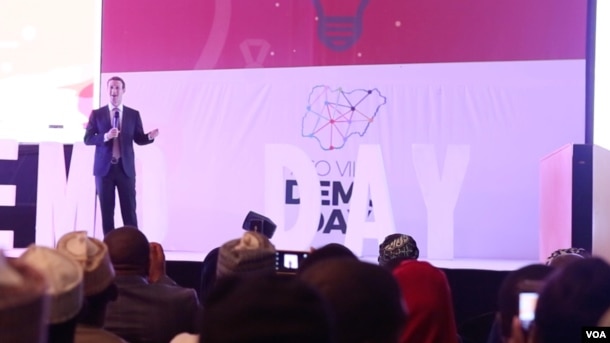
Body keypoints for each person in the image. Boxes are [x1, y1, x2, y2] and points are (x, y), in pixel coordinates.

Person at [84, 76, 159, 234]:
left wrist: (149, 137)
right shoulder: (97, 114)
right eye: (111, 87)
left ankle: (133, 248)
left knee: (129, 212)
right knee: (107, 213)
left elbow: (138, 138)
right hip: (104, 171)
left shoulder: (133, 114)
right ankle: (110, 250)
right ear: (107, 90)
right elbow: (88, 139)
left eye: (117, 87)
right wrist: (105, 136)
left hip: (125, 170)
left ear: (123, 90)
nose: (114, 91)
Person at [103, 227, 200, 343]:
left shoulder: (86, 303)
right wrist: (161, 278)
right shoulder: (183, 301)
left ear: (103, 263)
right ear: (150, 263)